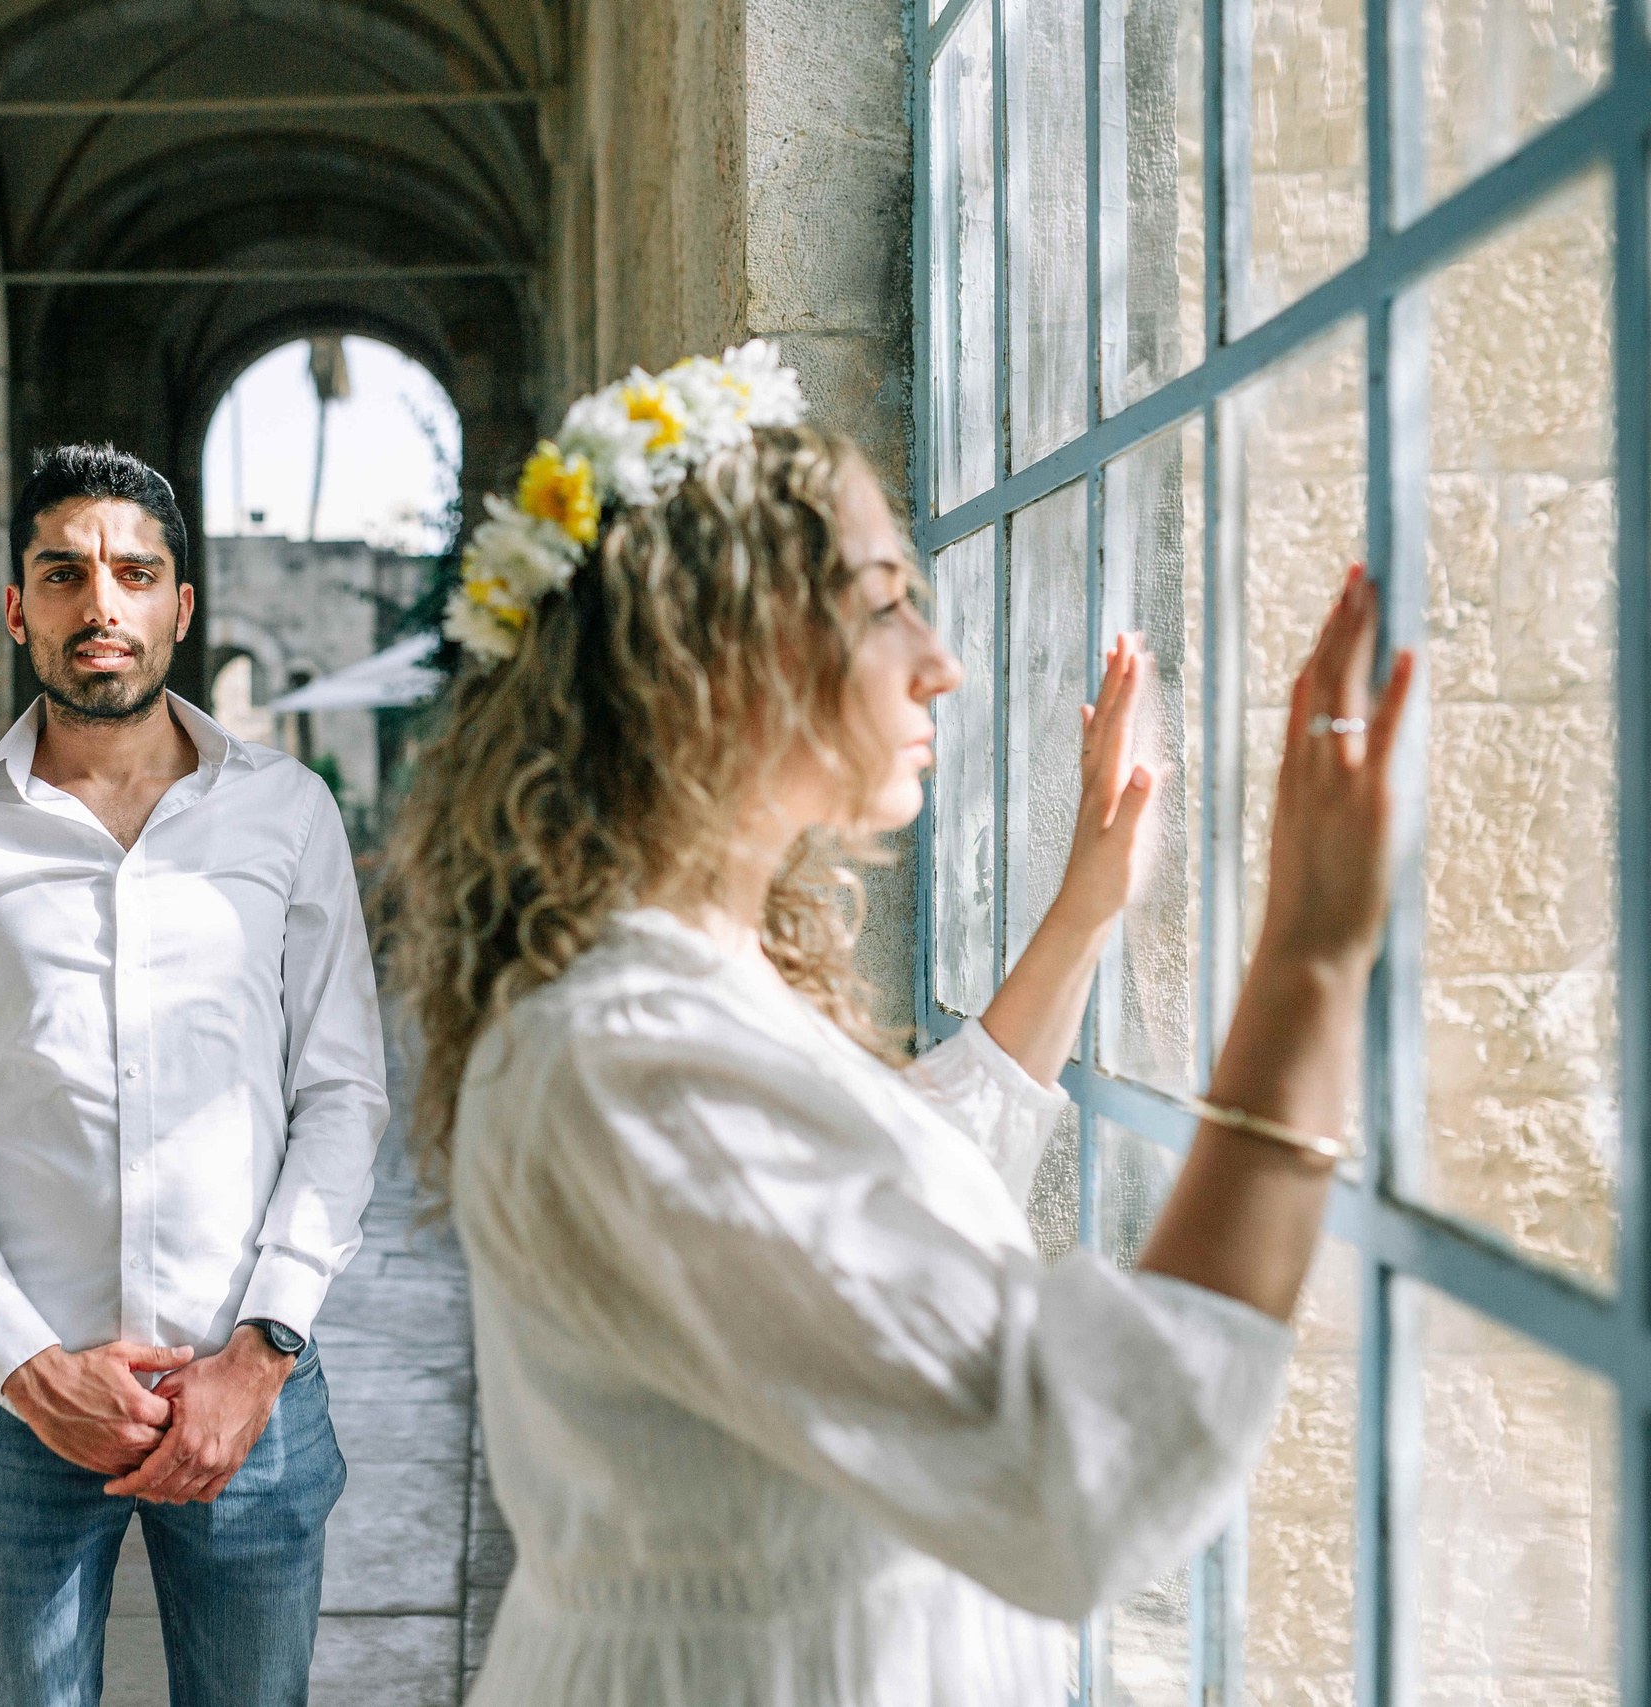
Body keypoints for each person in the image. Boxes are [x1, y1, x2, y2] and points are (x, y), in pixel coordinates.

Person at [385, 345, 1415, 1706]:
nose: (939, 665)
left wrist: (1087, 911)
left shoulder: (676, 988)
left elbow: (880, 1220)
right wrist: (1310, 962)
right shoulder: (620, 1057)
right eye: (883, 608)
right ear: (718, 655)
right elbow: (1076, 1477)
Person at [0, 443, 388, 1707]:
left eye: (136, 574)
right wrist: (28, 1365)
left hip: (247, 1391)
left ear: (180, 608)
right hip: (8, 1408)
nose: (103, 606)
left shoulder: (288, 812)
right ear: (19, 607)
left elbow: (342, 1093)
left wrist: (258, 1355)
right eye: (66, 573)